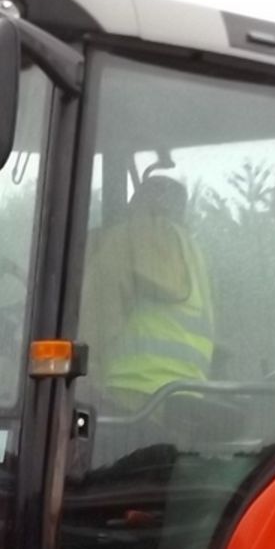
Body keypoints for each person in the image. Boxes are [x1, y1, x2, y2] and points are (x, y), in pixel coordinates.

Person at [83, 174, 217, 409]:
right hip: (187, 396)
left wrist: (83, 372)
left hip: (130, 396)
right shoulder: (191, 253)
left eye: (134, 201)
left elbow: (96, 318)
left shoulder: (129, 239)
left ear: (142, 204)